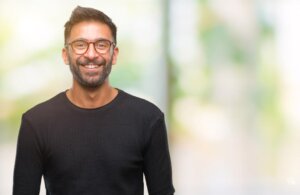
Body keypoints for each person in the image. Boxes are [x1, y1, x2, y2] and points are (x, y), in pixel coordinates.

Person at [13, 6, 175, 195]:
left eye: (101, 44)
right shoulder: (36, 122)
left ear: (114, 54)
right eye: (80, 44)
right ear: (66, 55)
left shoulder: (148, 119)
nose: (91, 54)